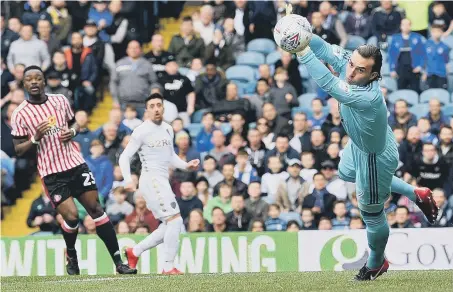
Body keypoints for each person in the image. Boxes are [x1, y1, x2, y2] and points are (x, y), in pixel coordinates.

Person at [290, 15, 438, 280]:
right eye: (351, 64)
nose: (351, 71)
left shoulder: (366, 96)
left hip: (374, 158)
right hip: (362, 144)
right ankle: (416, 192)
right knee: (346, 173)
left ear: (373, 75)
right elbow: (325, 50)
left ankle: (375, 263)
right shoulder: (355, 62)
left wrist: (301, 50)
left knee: (371, 214)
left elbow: (326, 82)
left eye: (359, 70)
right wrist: (302, 33)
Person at [10, 65, 135, 275]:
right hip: (52, 173)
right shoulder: (20, 114)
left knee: (96, 209)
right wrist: (35, 139)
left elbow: (75, 124)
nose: (33, 82)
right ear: (23, 84)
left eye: (37, 78)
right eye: (29, 79)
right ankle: (71, 254)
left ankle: (119, 263)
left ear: (44, 82)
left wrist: (73, 131)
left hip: (75, 164)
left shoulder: (60, 100)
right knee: (72, 217)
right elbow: (18, 149)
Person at [119, 93, 200, 275]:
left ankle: (135, 251)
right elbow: (125, 156)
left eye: (159, 105)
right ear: (147, 110)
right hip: (151, 180)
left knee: (169, 224)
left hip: (163, 180)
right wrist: (127, 179)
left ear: (163, 108)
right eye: (152, 106)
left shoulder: (168, 129)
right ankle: (167, 266)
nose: (156, 109)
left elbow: (170, 156)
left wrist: (186, 165)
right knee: (175, 220)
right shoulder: (141, 130)